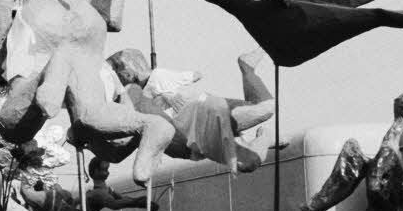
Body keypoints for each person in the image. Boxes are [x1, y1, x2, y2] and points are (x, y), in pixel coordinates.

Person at [107, 47, 276, 173]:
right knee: (248, 163)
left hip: (203, 116)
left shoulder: (143, 86)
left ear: (127, 72)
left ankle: (247, 66)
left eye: (116, 72)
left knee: (264, 108)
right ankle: (267, 137)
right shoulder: (136, 99)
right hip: (196, 142)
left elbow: (192, 77)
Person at [84, 157, 158, 211]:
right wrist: (136, 202)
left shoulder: (108, 190)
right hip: (93, 200)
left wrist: (135, 201)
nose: (108, 172)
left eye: (107, 169)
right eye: (105, 170)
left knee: (118, 200)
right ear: (96, 171)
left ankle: (139, 201)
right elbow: (114, 204)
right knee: (114, 203)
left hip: (101, 195)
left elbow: (122, 198)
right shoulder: (96, 193)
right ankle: (139, 202)